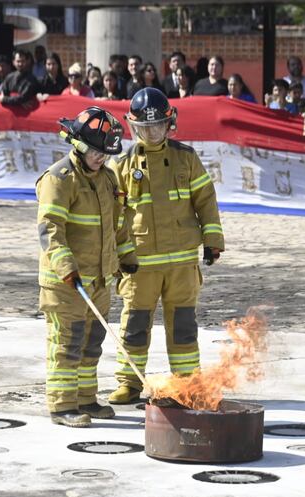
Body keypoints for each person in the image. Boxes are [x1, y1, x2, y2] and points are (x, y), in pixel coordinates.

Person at [108, 88, 225, 404]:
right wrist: (119, 255)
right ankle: (129, 384)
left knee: (183, 329)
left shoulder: (185, 158)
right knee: (134, 326)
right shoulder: (121, 167)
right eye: (144, 128)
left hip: (182, 265)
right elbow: (113, 217)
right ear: (133, 127)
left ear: (169, 123)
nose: (151, 132)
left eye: (157, 126)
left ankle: (187, 385)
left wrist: (212, 241)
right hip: (139, 265)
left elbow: (206, 200)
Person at [37, 107, 138, 428]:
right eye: (96, 152)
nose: (102, 159)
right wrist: (65, 266)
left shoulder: (107, 179)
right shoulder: (59, 179)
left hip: (98, 279)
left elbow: (117, 224)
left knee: (91, 343)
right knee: (67, 343)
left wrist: (126, 256)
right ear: (78, 145)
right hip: (65, 282)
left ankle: (85, 399)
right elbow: (50, 229)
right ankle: (62, 406)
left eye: (106, 154)